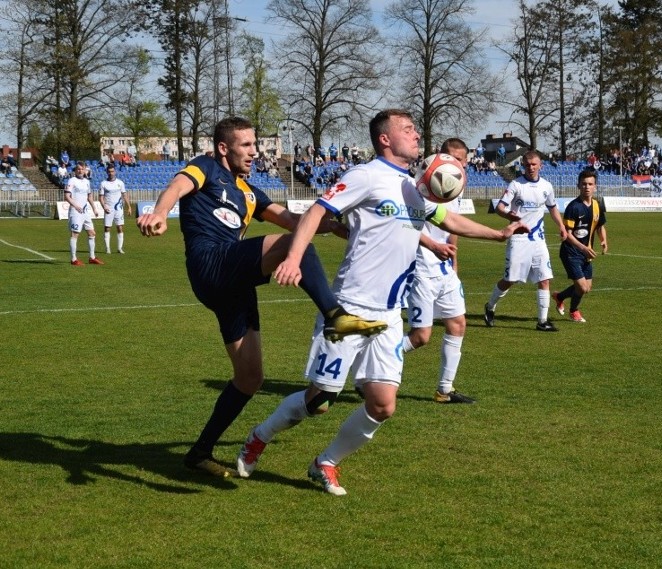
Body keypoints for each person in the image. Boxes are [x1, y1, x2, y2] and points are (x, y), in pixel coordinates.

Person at [235, 109, 527, 495]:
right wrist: (292, 258)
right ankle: (259, 436)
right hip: (350, 306)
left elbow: (446, 220)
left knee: (383, 405)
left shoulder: (411, 187)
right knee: (321, 399)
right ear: (385, 139)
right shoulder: (366, 176)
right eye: (407, 130)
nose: (416, 135)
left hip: (389, 314)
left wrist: (498, 234)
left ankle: (326, 463)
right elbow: (318, 211)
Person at [136, 117, 387, 478]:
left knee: (250, 377)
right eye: (247, 146)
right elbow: (177, 186)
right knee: (292, 246)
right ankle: (335, 315)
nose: (255, 152)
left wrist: (331, 224)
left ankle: (199, 452)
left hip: (234, 284)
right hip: (211, 263)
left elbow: (286, 217)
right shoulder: (204, 167)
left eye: (256, 145)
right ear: (224, 148)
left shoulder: (250, 192)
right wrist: (160, 212)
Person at [403, 137, 475, 404]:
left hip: (444, 268)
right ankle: (369, 369)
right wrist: (432, 246)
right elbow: (406, 225)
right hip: (421, 266)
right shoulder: (416, 187)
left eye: (459, 159)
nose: (453, 163)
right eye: (449, 156)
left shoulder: (454, 187)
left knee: (458, 323)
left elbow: (453, 227)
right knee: (421, 337)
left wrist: (454, 264)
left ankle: (444, 390)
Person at [484, 150, 568, 332]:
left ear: (540, 166)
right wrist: (509, 215)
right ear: (523, 165)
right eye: (527, 165)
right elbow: (499, 208)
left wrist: (561, 226)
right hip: (518, 239)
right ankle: (490, 307)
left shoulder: (546, 186)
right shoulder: (516, 185)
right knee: (510, 279)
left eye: (534, 164)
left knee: (544, 278)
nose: (530, 168)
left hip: (538, 239)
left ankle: (542, 321)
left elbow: (552, 208)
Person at [552, 169, 608, 323]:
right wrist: (583, 248)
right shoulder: (573, 207)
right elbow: (567, 234)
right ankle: (574, 311)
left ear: (595, 186)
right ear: (578, 185)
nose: (587, 187)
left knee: (587, 288)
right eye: (584, 184)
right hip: (571, 252)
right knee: (582, 288)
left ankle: (559, 296)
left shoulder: (597, 205)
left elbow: (600, 226)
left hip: (585, 253)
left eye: (590, 184)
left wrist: (603, 241)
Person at [65, 162, 104, 266]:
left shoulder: (87, 181)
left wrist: (94, 208)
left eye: (82, 169)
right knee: (75, 234)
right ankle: (73, 259)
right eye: (78, 169)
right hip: (76, 211)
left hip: (85, 211)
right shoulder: (72, 181)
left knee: (92, 233)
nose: (80, 171)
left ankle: (92, 257)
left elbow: (89, 196)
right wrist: (75, 205)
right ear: (75, 170)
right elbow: (67, 196)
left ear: (85, 170)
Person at [99, 165, 130, 254]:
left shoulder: (120, 183)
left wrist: (129, 206)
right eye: (109, 171)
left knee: (120, 228)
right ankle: (107, 248)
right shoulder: (103, 183)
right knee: (107, 228)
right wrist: (104, 206)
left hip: (119, 209)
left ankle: (119, 248)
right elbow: (100, 197)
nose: (111, 173)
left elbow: (124, 195)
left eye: (112, 171)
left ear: (115, 172)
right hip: (108, 209)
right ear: (107, 172)